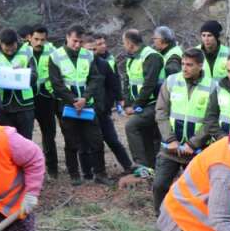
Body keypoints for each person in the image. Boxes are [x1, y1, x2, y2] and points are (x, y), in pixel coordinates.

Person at [152, 48, 215, 211]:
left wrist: (193, 144)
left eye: (189, 65)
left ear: (200, 66)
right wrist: (170, 139)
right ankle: (161, 218)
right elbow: (161, 112)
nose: (184, 68)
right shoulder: (172, 81)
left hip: (197, 151)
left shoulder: (213, 87)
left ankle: (192, 222)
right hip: (170, 148)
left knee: (196, 192)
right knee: (159, 186)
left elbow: (211, 120)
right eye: (183, 64)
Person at [49, 27, 106, 186]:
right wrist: (73, 100)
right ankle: (74, 174)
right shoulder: (55, 56)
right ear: (67, 37)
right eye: (74, 41)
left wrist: (85, 98)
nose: (77, 45)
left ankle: (100, 173)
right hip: (67, 106)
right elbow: (56, 83)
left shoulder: (88, 55)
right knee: (71, 142)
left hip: (87, 105)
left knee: (96, 140)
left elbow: (95, 78)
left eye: (80, 42)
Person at [87, 34, 132, 177]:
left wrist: (116, 100)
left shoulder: (104, 63)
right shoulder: (79, 65)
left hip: (103, 108)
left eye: (95, 48)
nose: (93, 52)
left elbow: (114, 83)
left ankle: (128, 166)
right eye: (90, 49)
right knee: (89, 144)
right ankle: (91, 173)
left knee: (112, 139)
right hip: (86, 110)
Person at [120, 29, 163, 175]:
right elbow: (127, 81)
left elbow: (149, 85)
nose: (123, 46)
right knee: (145, 134)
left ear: (130, 43)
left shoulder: (151, 57)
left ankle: (141, 166)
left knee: (131, 126)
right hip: (141, 105)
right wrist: (126, 104)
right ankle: (151, 168)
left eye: (124, 43)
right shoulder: (131, 58)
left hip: (154, 104)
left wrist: (136, 106)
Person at [0, 28, 37, 139]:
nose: (10, 51)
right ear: (0, 42)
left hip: (24, 106)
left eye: (12, 48)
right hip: (3, 106)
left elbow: (34, 76)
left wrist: (22, 73)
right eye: (7, 49)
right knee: (7, 142)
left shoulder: (27, 51)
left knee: (26, 141)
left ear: (17, 41)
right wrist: (6, 73)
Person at [28, 26, 59, 177]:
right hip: (27, 97)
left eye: (42, 39)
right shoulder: (22, 52)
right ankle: (29, 170)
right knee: (26, 136)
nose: (39, 42)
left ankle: (52, 169)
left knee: (49, 134)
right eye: (36, 39)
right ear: (30, 38)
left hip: (47, 97)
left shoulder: (52, 51)